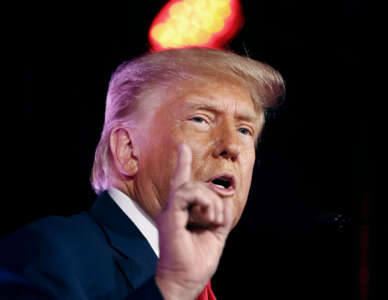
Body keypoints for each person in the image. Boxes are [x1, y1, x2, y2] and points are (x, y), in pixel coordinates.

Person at [0, 47, 285, 299]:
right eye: (200, 119)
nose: (232, 146)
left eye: (244, 130)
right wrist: (170, 290)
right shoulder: (50, 252)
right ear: (128, 149)